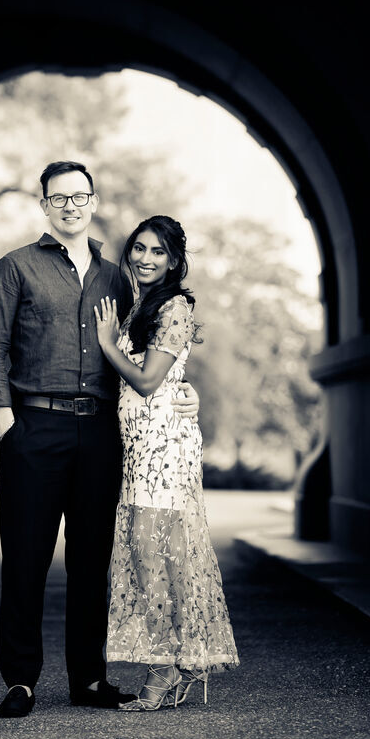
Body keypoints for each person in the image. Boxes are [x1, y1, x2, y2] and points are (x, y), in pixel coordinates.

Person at [0, 162, 200, 718]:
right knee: (25, 557)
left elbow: (150, 350)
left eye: (80, 196)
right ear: (44, 204)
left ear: (93, 201)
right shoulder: (13, 269)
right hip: (35, 429)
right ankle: (21, 680)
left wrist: (186, 390)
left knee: (91, 562)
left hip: (101, 432)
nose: (71, 205)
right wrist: (9, 429)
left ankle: (89, 679)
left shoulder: (116, 279)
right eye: (59, 197)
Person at [94, 215, 240, 711]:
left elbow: (149, 380)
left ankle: (165, 669)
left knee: (152, 555)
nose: (146, 259)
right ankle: (183, 662)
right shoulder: (143, 303)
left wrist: (107, 345)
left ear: (174, 260)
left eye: (158, 251)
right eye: (139, 249)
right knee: (154, 556)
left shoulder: (175, 305)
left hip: (164, 450)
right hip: (140, 448)